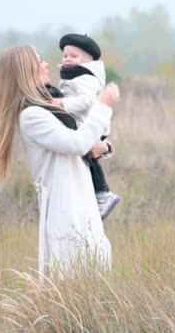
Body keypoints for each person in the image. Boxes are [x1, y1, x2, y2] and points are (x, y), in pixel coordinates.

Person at [0, 45, 120, 278]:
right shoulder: (33, 116)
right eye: (40, 60)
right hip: (67, 214)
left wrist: (104, 146)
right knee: (74, 287)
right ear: (27, 71)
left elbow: (84, 142)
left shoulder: (51, 109)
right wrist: (103, 106)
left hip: (82, 208)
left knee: (95, 287)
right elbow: (76, 143)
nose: (47, 65)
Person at [51, 33, 121, 220]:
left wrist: (61, 103)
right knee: (88, 160)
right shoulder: (74, 75)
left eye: (74, 56)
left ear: (87, 60)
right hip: (84, 125)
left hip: (90, 124)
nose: (67, 59)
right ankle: (95, 196)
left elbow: (85, 101)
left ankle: (103, 194)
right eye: (65, 55)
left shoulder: (86, 77)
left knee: (91, 160)